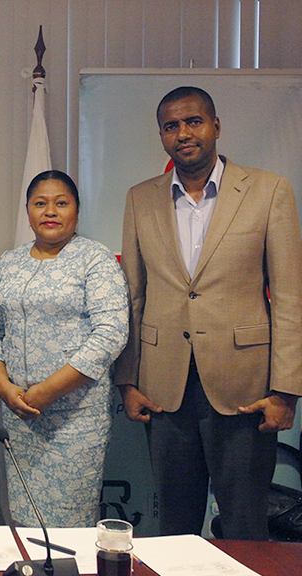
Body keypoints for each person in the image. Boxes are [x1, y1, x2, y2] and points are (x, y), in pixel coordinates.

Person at [115, 86, 302, 540]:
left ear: (215, 126)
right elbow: (134, 294)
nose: (183, 133)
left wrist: (286, 392)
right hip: (164, 388)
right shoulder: (141, 198)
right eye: (171, 126)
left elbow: (290, 297)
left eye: (193, 122)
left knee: (243, 525)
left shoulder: (268, 190)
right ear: (162, 136)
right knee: (174, 526)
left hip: (245, 386)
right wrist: (128, 380)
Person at [0, 170, 128, 527]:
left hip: (74, 421)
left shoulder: (95, 259)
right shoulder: (10, 261)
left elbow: (110, 334)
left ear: (77, 210)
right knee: (22, 520)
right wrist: (4, 389)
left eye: (61, 203)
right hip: (19, 416)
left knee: (68, 530)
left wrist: (45, 392)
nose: (50, 212)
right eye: (40, 203)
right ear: (28, 211)